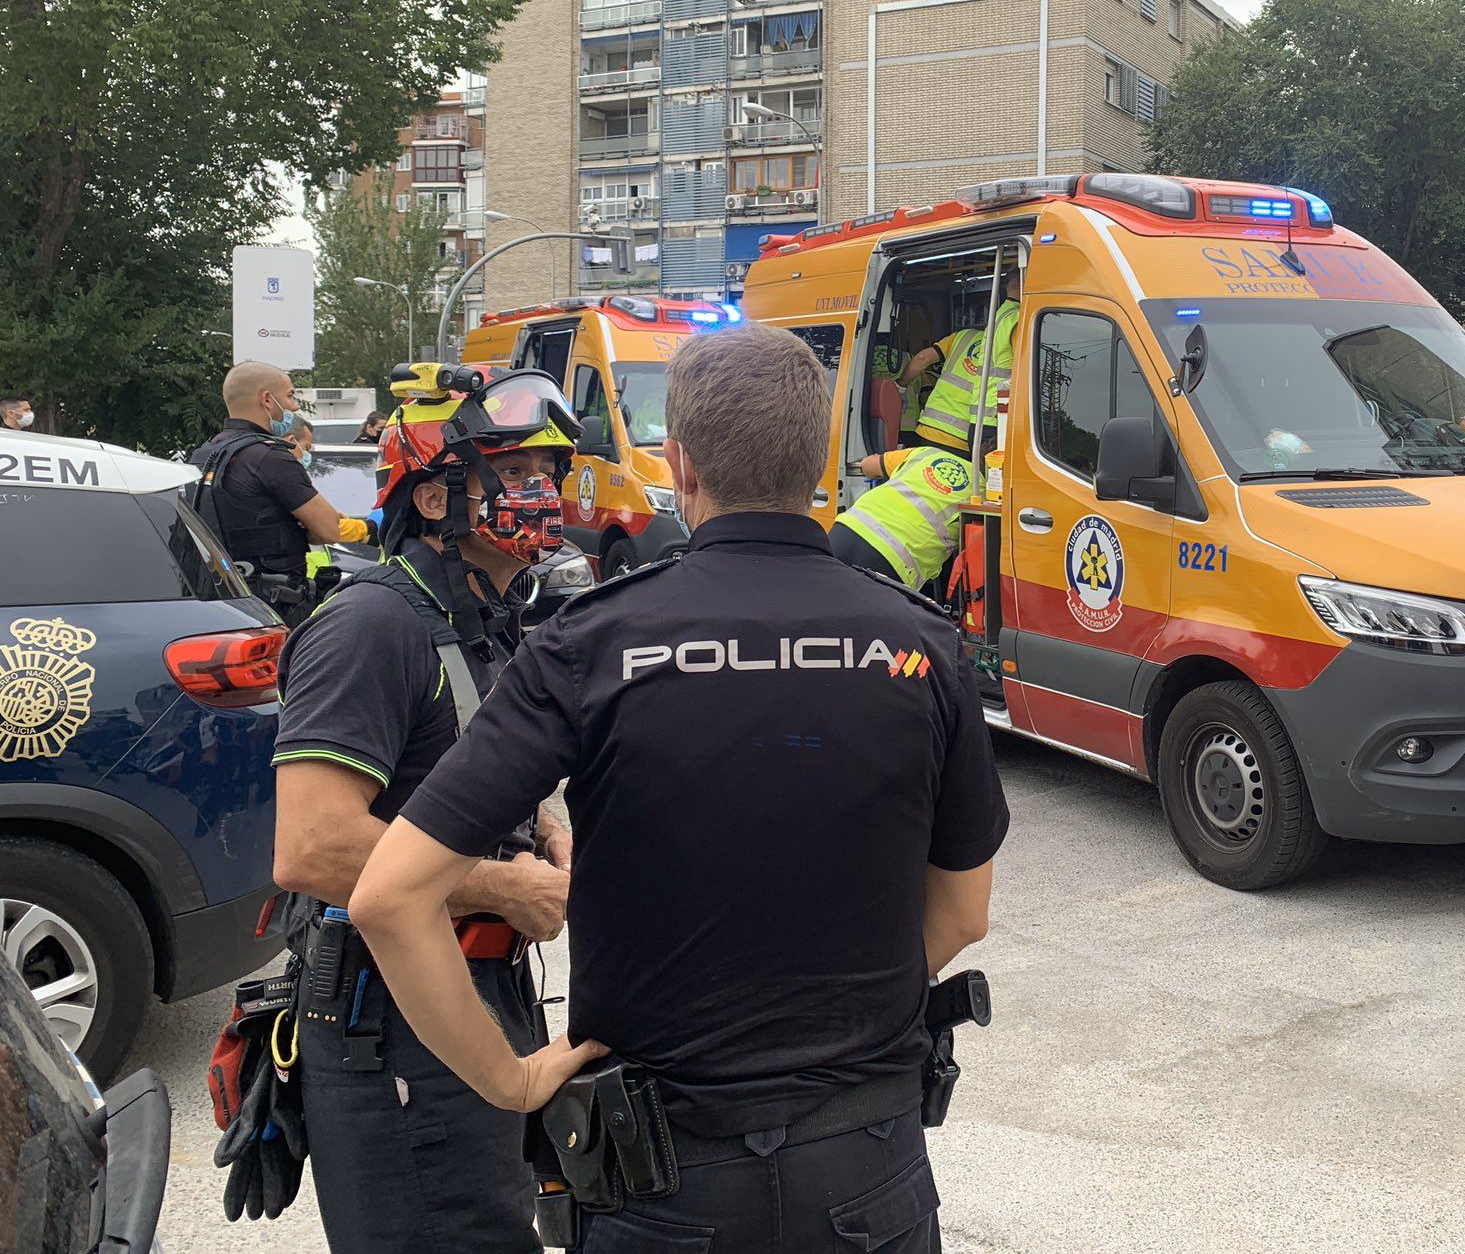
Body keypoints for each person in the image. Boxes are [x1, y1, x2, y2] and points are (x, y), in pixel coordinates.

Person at [349, 322, 1008, 1254]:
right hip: (868, 1168)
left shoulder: (589, 643)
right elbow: (963, 915)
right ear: (820, 457)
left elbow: (388, 896)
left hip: (659, 1182)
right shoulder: (921, 642)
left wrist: (510, 1080)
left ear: (679, 462)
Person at [266, 364, 581, 1253]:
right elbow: (314, 846)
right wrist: (499, 888)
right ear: (439, 500)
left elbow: (450, 772)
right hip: (388, 1019)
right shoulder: (372, 626)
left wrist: (540, 826)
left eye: (549, 476)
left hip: (475, 987)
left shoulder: (484, 615)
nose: (543, 496)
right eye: (516, 476)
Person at [185, 363, 352, 625]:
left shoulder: (204, 455)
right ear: (267, 399)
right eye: (289, 396)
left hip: (219, 604)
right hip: (275, 607)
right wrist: (306, 525)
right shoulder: (270, 457)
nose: (294, 407)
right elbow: (329, 530)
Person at [899, 263, 1019, 452]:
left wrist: (900, 387)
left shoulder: (962, 336)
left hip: (929, 429)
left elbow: (922, 358)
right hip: (964, 438)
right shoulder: (1009, 337)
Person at [830, 443, 977, 588]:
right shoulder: (983, 493)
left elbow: (868, 465)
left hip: (847, 529)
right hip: (895, 560)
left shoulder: (928, 454)